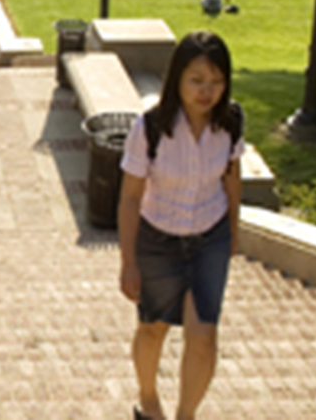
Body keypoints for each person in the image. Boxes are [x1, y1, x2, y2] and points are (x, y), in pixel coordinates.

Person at [117, 31, 244, 420]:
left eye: (216, 82)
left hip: (210, 238)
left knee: (204, 337)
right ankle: (148, 397)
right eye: (196, 80)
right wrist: (129, 261)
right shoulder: (151, 128)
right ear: (177, 79)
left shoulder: (232, 121)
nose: (207, 91)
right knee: (153, 328)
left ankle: (186, 415)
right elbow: (130, 198)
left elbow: (232, 177)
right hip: (158, 241)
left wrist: (233, 234)